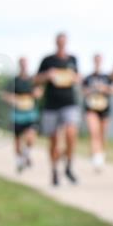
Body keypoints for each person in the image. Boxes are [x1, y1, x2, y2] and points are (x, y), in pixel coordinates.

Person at [36, 33, 81, 186]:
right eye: (59, 42)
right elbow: (36, 80)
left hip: (69, 102)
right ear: (56, 42)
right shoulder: (48, 60)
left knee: (71, 133)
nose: (62, 44)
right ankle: (54, 169)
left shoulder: (72, 60)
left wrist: (76, 78)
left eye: (64, 42)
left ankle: (68, 165)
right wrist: (47, 75)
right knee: (54, 140)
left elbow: (78, 77)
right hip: (51, 104)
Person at [5, 56, 42, 172]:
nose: (24, 66)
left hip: (30, 113)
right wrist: (13, 99)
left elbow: (40, 92)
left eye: (25, 63)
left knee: (31, 136)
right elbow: (5, 95)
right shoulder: (14, 81)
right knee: (17, 140)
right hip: (17, 114)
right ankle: (19, 161)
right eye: (22, 64)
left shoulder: (32, 80)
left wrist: (37, 93)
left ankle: (26, 154)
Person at [83, 53, 113, 172]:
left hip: (104, 108)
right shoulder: (88, 78)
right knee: (94, 132)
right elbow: (83, 91)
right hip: (91, 108)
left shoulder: (107, 77)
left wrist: (105, 88)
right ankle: (96, 157)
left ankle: (101, 154)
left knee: (102, 134)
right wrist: (93, 89)